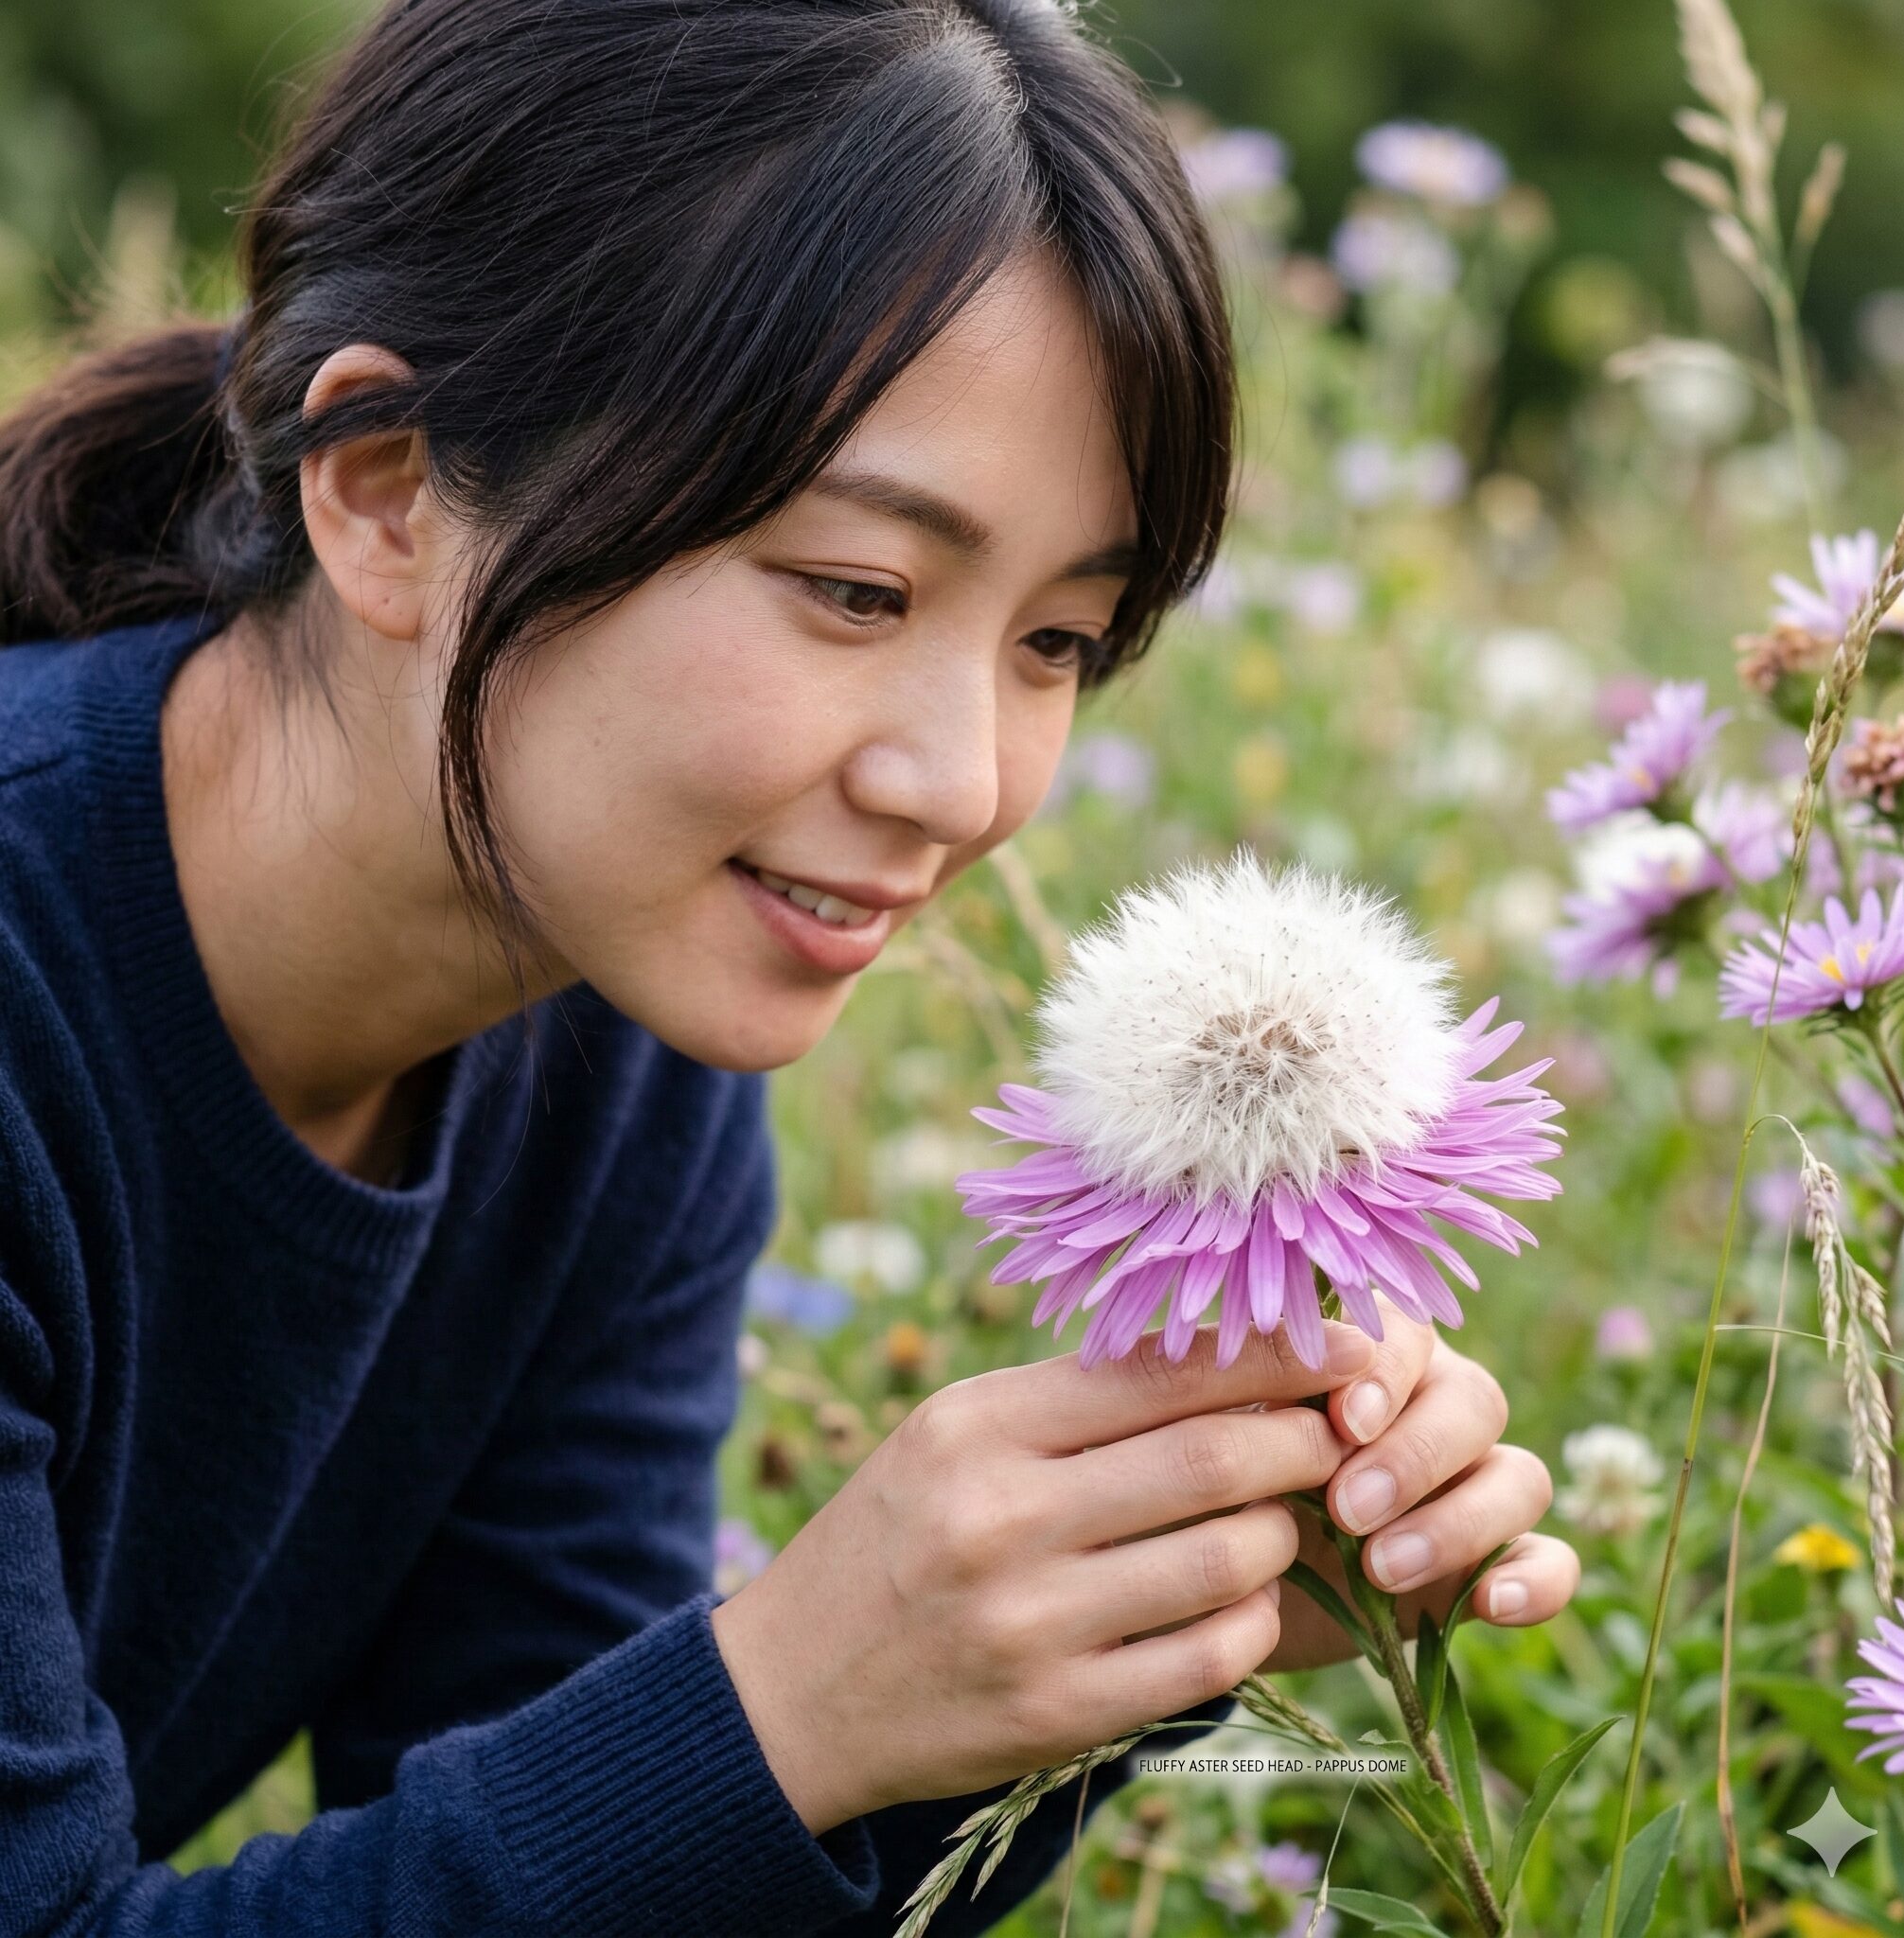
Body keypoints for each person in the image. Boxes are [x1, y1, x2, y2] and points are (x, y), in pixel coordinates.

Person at [0, 1, 1580, 1931]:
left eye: (1059, 639)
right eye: (858, 588)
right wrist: (792, 1698)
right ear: (390, 492)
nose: (971, 782)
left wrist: (1111, 1627)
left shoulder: (612, 1060)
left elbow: (552, 1855)